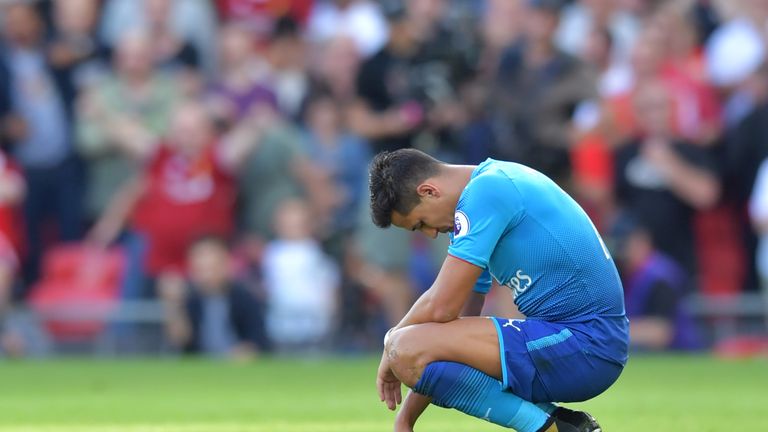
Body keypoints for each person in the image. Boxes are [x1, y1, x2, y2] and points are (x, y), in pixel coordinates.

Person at [369, 149, 629, 432]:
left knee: (404, 345)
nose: (430, 233)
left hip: (585, 344)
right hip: (585, 343)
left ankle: (550, 428)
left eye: (420, 223)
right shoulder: (489, 188)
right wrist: (405, 419)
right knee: (407, 346)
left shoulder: (487, 192)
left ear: (429, 191)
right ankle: (565, 425)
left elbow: (441, 308)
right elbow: (448, 333)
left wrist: (391, 344)